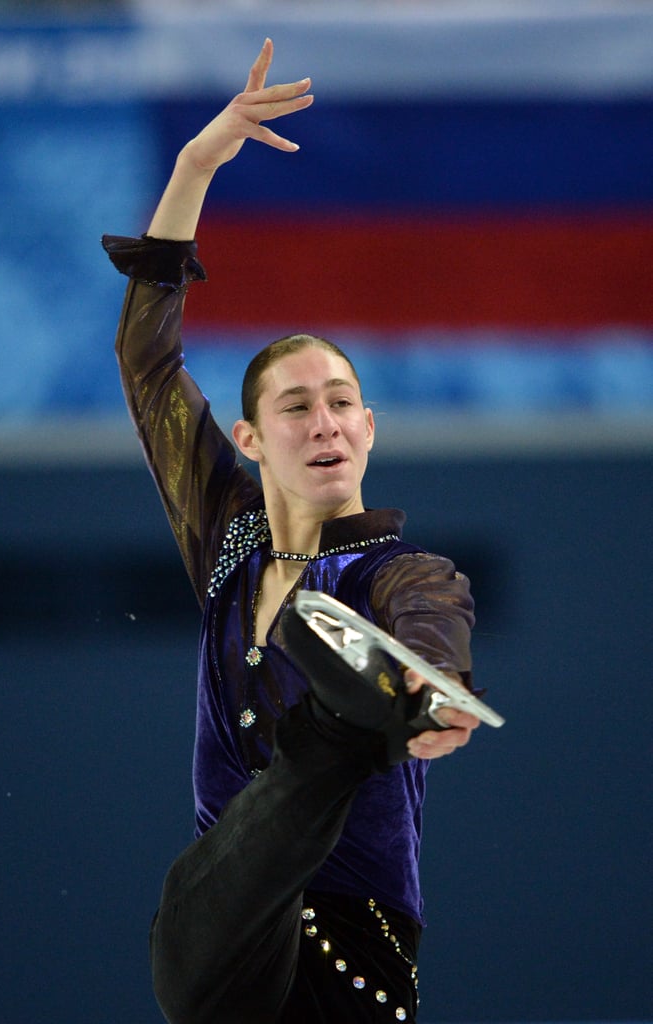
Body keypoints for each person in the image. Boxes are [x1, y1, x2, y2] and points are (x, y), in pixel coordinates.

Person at [103, 38, 480, 1024]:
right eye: (297, 407)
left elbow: (428, 621)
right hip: (230, 937)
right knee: (200, 904)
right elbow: (146, 362)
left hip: (356, 951)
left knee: (348, 720)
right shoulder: (227, 537)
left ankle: (357, 709)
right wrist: (195, 166)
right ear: (249, 439)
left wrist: (426, 682)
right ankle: (345, 721)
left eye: (342, 402)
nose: (323, 423)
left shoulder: (400, 571)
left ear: (367, 428)